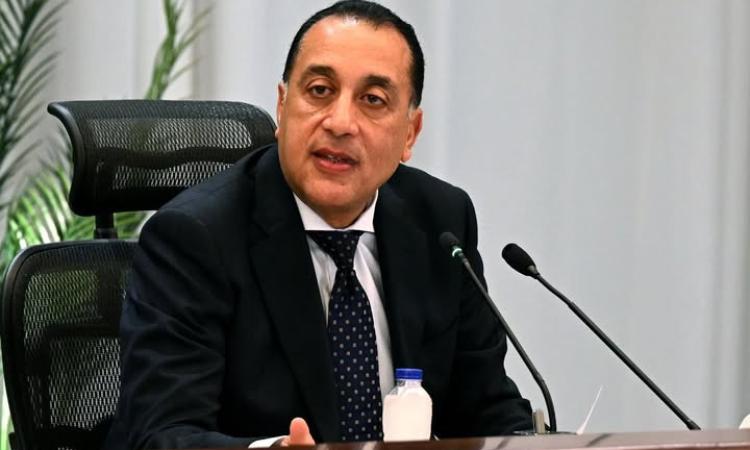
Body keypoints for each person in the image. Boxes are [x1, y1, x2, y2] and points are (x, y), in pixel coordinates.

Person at [105, 1, 532, 448]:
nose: (341, 122)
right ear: (282, 105)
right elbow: (161, 433)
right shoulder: (195, 238)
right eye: (320, 90)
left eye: (373, 100)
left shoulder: (441, 221)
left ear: (410, 133)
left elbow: (486, 406)